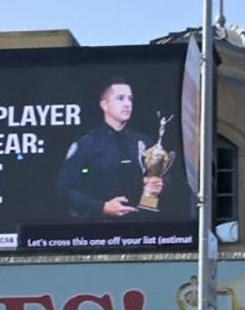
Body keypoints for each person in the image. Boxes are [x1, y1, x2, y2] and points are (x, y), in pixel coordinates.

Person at [55, 77, 167, 220]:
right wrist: (101, 208)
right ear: (104, 104)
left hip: (142, 231)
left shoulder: (144, 143)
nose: (127, 104)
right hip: (97, 231)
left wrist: (153, 192)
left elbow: (162, 179)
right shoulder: (86, 145)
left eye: (130, 99)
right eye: (120, 98)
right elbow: (64, 188)